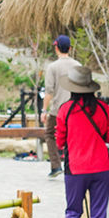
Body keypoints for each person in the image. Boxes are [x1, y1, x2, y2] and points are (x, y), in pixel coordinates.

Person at [55, 66, 109, 218]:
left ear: (72, 88)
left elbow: (60, 141)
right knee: (98, 215)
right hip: (101, 169)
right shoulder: (104, 109)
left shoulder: (66, 110)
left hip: (76, 170)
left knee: (73, 212)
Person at [42, 34, 80, 178]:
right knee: (73, 136)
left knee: (49, 134)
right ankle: (72, 165)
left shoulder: (52, 67)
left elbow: (49, 92)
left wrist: (43, 110)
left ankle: (56, 165)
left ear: (56, 48)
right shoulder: (78, 65)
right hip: (75, 109)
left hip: (58, 110)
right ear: (70, 48)